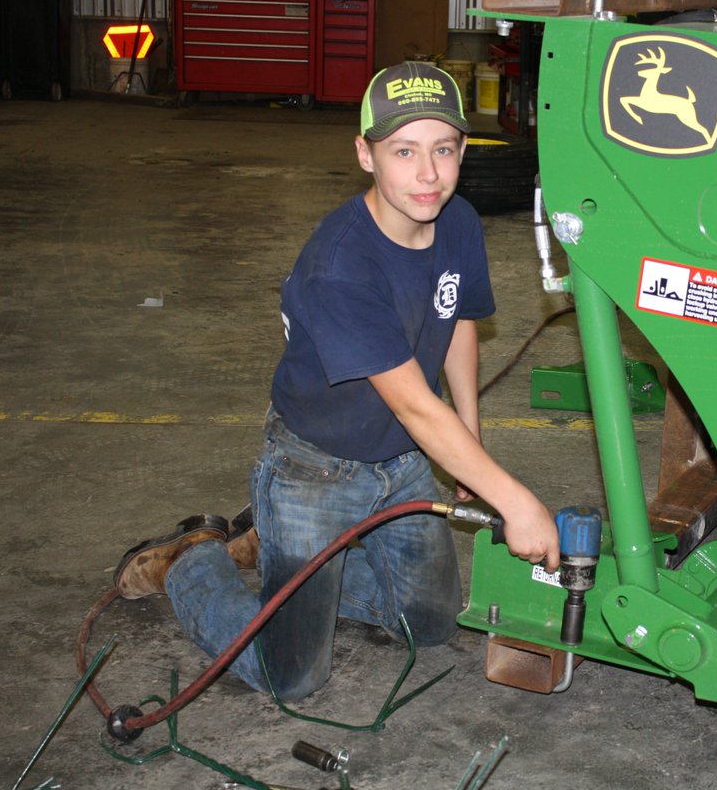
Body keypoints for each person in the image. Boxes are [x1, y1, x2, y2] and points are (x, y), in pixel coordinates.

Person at [113, 62, 560, 701]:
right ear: (365, 155)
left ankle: (288, 562)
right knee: (291, 676)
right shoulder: (340, 264)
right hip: (314, 471)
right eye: (403, 151)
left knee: (432, 628)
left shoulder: (457, 219)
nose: (427, 174)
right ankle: (194, 561)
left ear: (463, 151)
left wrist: (470, 435)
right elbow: (413, 405)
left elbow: (457, 316)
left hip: (403, 461)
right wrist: (516, 501)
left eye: (443, 150)